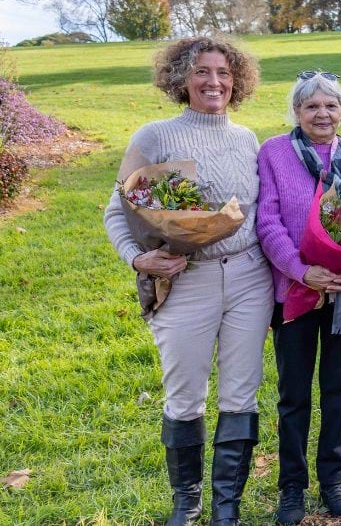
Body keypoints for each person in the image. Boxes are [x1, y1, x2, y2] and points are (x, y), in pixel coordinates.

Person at [103, 36, 271, 526]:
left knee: (241, 392)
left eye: (223, 72)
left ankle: (226, 507)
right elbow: (120, 209)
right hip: (186, 280)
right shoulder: (154, 136)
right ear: (181, 78)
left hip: (248, 278)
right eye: (201, 71)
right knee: (184, 394)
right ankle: (187, 500)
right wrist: (139, 260)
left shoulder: (246, 138)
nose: (213, 81)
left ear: (236, 79)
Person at [256, 70, 341, 522]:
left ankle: (333, 481)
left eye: (330, 105)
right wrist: (304, 271)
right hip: (294, 292)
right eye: (312, 106)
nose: (322, 114)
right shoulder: (274, 153)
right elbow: (267, 221)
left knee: (339, 390)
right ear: (296, 112)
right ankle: (292, 487)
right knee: (293, 394)